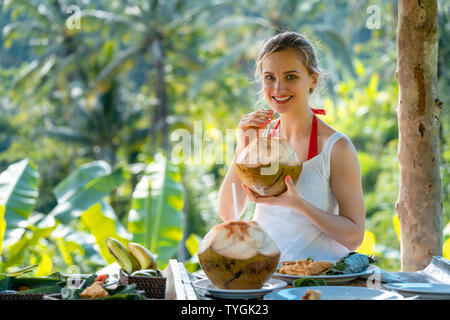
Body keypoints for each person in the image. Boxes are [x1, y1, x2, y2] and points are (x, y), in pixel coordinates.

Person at [218, 31, 366, 263]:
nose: (278, 88)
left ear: (313, 80)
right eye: (269, 77)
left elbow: (354, 237)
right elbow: (229, 214)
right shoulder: (259, 140)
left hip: (321, 283)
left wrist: (298, 204)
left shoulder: (336, 148)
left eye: (291, 77)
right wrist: (243, 146)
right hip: (267, 278)